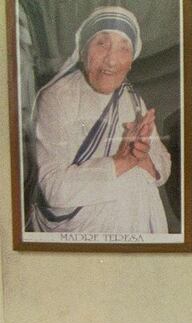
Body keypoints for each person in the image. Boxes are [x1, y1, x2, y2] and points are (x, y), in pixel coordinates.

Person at [27, 5, 171, 233]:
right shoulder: (56, 98)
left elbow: (163, 162)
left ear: (131, 60)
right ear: (83, 51)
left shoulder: (132, 99)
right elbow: (53, 189)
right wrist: (122, 163)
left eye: (124, 48)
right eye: (102, 44)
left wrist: (144, 160)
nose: (111, 60)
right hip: (76, 232)